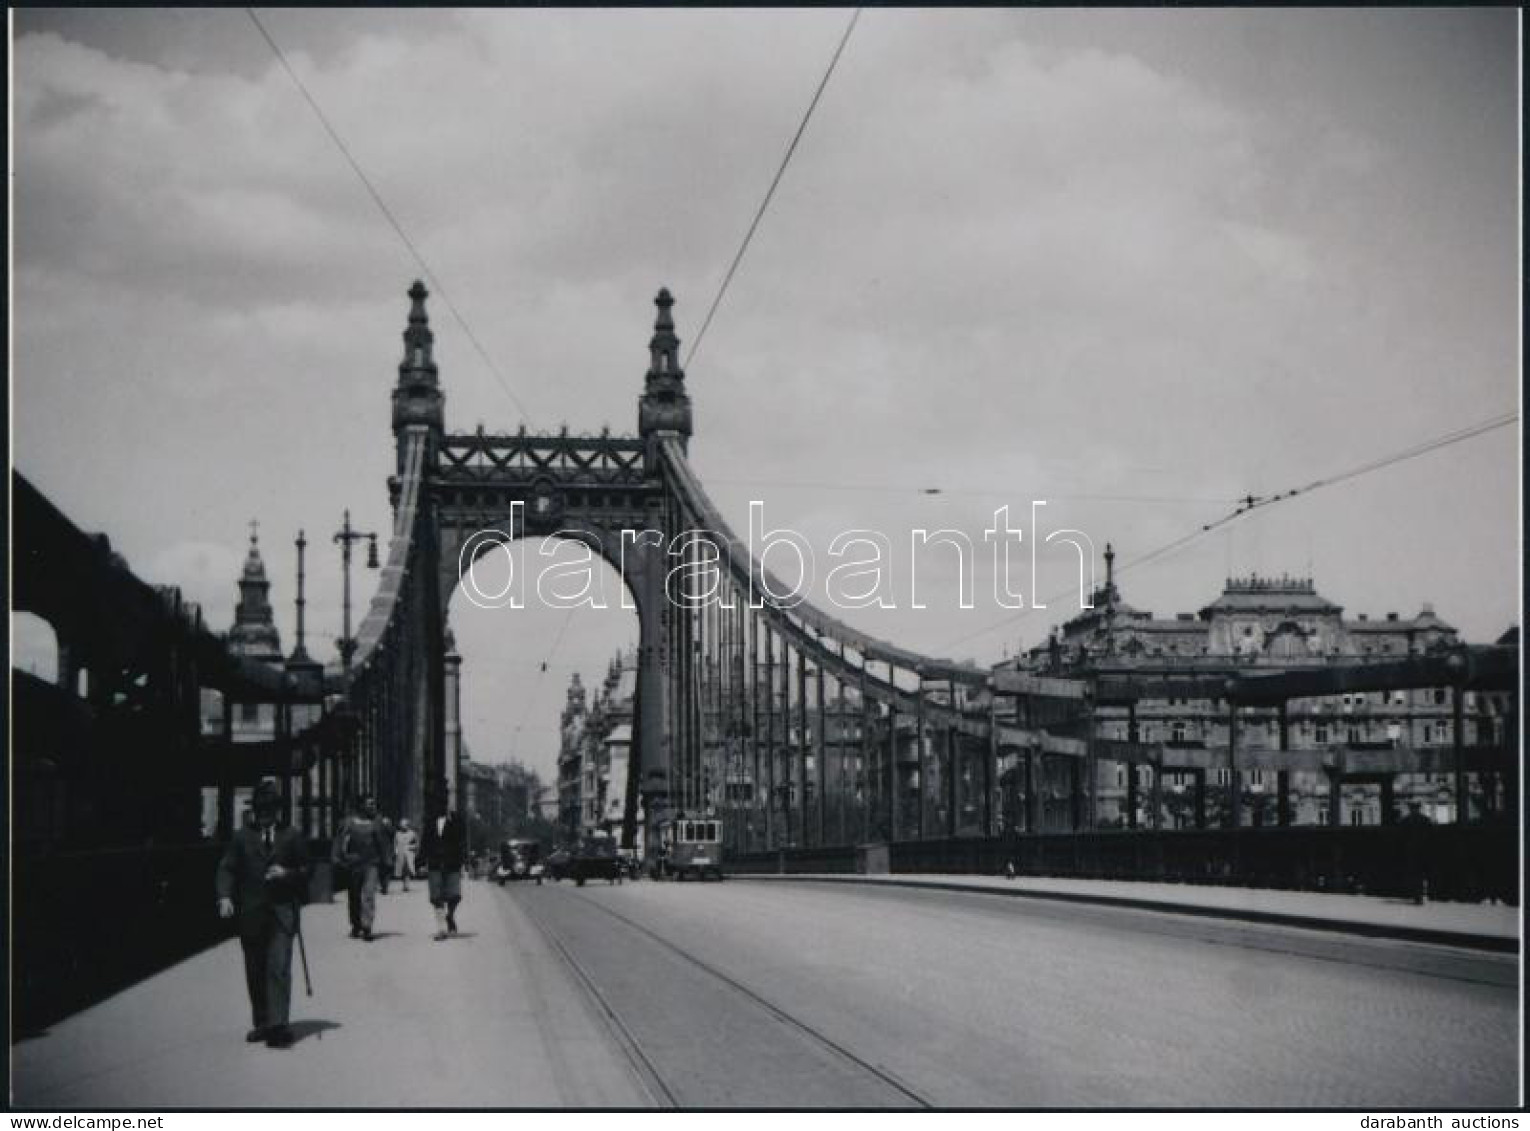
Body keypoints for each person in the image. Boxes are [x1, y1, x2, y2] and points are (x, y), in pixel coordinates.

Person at [216, 779, 308, 1049]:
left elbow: (307, 870)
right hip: (251, 914)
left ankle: (279, 1026)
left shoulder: (292, 835)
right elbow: (226, 869)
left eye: (270, 810)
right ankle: (262, 1023)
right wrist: (224, 897)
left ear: (278, 811)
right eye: (261, 810)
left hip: (282, 914)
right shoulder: (241, 837)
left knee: (278, 968)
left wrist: (287, 874)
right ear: (255, 810)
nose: (266, 815)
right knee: (255, 971)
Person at [332, 794, 388, 940]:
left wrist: (386, 861)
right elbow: (339, 840)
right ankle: (356, 924)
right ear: (361, 805)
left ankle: (367, 925)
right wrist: (337, 857)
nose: (372, 806)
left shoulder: (376, 823)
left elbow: (382, 843)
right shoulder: (348, 822)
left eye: (373, 804)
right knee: (354, 895)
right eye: (369, 804)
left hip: (371, 863)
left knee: (369, 894)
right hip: (354, 863)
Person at [420, 789, 466, 941]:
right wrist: (420, 860)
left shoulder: (456, 819)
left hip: (452, 863)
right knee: (436, 896)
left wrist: (464, 861)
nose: (440, 806)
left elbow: (462, 842)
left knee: (455, 896)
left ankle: (450, 916)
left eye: (443, 803)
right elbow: (425, 841)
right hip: (434, 863)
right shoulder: (430, 820)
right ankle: (441, 928)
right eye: (437, 803)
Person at [394, 818, 418, 892]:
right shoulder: (397, 834)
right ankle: (404, 884)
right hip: (400, 853)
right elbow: (395, 844)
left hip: (409, 853)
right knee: (402, 869)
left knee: (408, 869)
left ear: (407, 825)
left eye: (404, 825)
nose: (403, 827)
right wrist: (396, 851)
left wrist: (411, 847)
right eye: (402, 825)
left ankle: (406, 885)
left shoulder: (412, 833)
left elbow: (417, 844)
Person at [378, 816, 396, 895]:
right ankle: (383, 886)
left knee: (387, 869)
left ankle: (385, 887)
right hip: (380, 852)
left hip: (388, 851)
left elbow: (392, 833)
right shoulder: (378, 829)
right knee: (381, 870)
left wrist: (387, 825)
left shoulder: (390, 829)